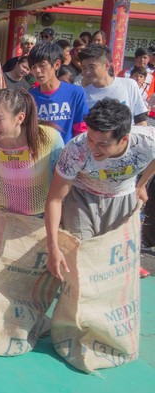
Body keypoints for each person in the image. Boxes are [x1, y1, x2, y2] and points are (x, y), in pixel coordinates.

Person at [0, 88, 64, 327]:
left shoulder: (49, 139)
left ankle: (28, 322)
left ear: (20, 117)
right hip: (2, 215)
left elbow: (63, 181)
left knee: (32, 277)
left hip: (38, 220)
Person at [45, 98, 155, 281]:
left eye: (102, 144)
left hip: (122, 197)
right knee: (80, 257)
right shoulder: (75, 149)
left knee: (112, 261)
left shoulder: (147, 141)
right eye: (90, 139)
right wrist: (53, 246)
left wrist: (141, 184)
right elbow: (55, 199)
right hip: (81, 198)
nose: (93, 148)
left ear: (124, 138)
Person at [28, 42, 88, 143]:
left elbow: (82, 130)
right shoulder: (28, 97)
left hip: (68, 155)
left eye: (42, 65)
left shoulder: (76, 93)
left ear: (57, 64)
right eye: (33, 67)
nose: (37, 71)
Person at [80, 44, 148, 125]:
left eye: (92, 67)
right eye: (84, 67)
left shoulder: (129, 85)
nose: (87, 72)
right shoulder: (82, 94)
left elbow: (141, 120)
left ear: (107, 65)